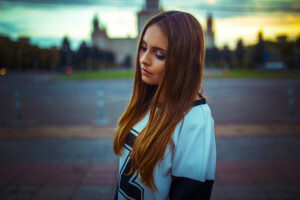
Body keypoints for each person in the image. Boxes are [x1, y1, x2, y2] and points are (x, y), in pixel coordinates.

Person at [113, 10, 216, 200]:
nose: (143, 59)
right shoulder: (145, 102)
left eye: (159, 54)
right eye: (143, 47)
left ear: (183, 60)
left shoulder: (194, 119)